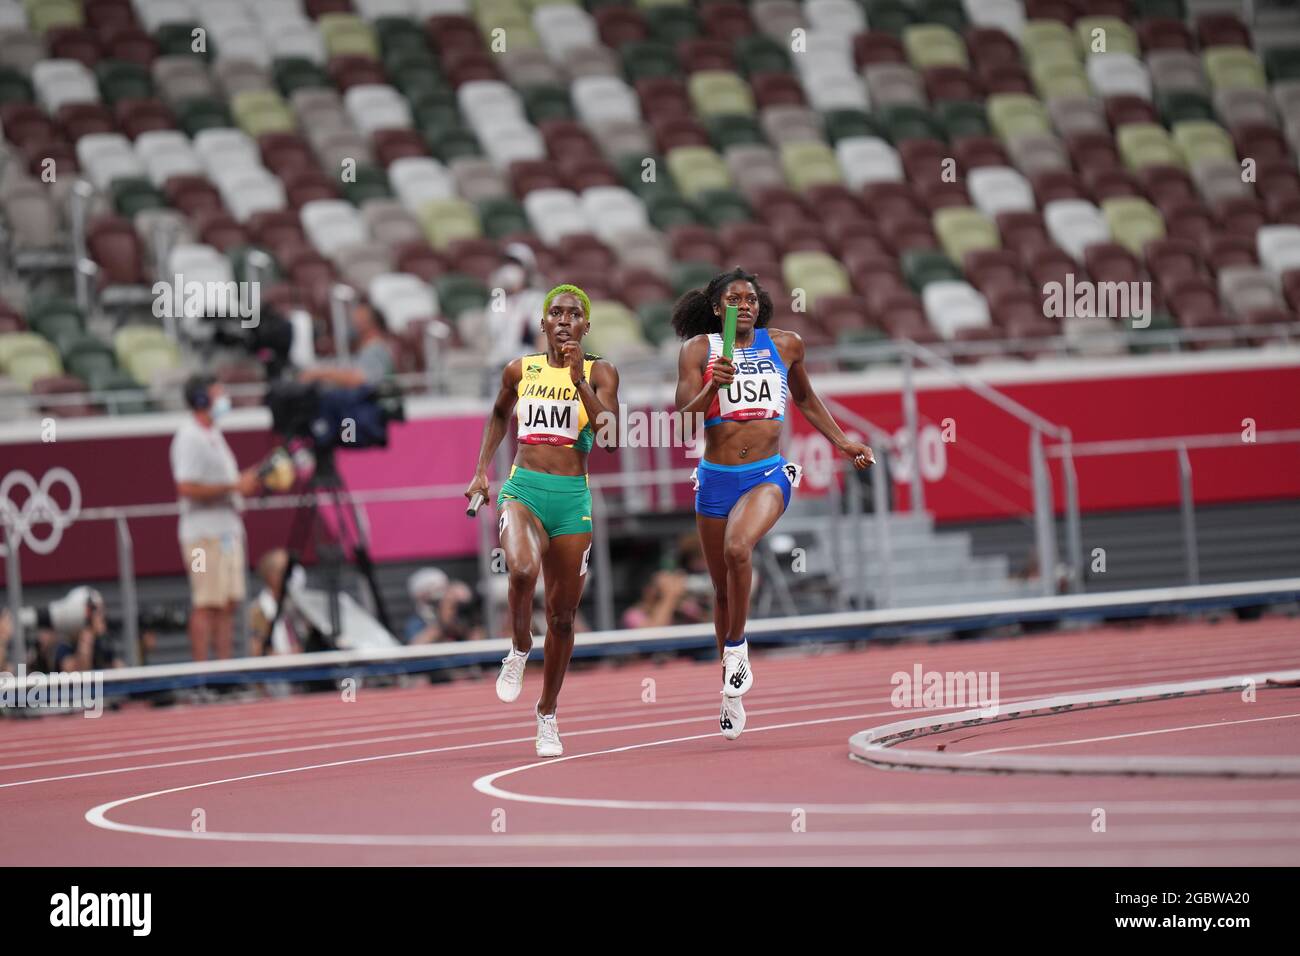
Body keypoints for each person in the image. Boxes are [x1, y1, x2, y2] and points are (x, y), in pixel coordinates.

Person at [673, 268, 873, 740]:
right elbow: (684, 419)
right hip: (715, 479)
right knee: (721, 591)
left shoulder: (785, 345)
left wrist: (843, 442)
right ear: (717, 307)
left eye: (752, 298)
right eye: (734, 299)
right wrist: (710, 387)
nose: (745, 304)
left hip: (765, 474)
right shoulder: (699, 350)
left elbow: (804, 397)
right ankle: (729, 692)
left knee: (739, 549)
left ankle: (738, 649)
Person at [464, 284, 620, 757]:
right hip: (523, 490)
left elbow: (610, 435)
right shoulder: (521, 370)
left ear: (586, 326)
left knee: (564, 617)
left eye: (574, 313)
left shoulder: (600, 371)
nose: (565, 320)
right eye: (556, 313)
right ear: (544, 324)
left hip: (572, 501)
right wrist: (480, 473)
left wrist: (578, 382)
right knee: (522, 569)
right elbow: (497, 415)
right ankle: (517, 646)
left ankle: (547, 713)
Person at [170, 374, 261, 662]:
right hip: (201, 536)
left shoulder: (213, 434)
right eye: (217, 392)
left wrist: (250, 481)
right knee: (206, 604)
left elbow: (226, 483)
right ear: (201, 399)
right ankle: (202, 678)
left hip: (226, 532)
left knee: (227, 605)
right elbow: (185, 487)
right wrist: (234, 486)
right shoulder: (189, 435)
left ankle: (225, 674)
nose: (224, 397)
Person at [299, 300, 394, 388]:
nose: (354, 322)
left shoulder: (376, 349)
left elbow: (358, 380)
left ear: (370, 323)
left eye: (360, 319)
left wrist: (320, 373)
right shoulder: (362, 348)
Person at [404, 567, 481, 643]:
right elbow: (415, 647)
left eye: (445, 589)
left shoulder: (462, 616)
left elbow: (478, 645)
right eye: (437, 591)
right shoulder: (416, 622)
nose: (444, 595)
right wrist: (443, 622)